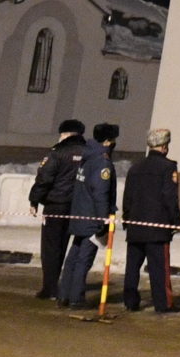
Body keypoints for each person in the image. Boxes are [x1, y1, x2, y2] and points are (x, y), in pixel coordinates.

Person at [53, 124, 116, 309]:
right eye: (112, 140)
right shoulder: (102, 162)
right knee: (83, 260)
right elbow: (100, 194)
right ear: (107, 141)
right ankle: (76, 298)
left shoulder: (87, 156)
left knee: (73, 257)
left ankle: (63, 295)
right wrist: (103, 220)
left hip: (80, 215)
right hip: (92, 219)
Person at [122, 128, 180, 314]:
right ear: (164, 147)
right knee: (159, 269)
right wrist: (175, 221)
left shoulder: (136, 167)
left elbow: (128, 196)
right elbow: (169, 196)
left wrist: (127, 218)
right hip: (158, 227)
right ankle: (163, 303)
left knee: (132, 267)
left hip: (136, 225)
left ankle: (130, 301)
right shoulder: (168, 167)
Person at [28, 120, 88, 299]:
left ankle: (50, 288)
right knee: (67, 247)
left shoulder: (57, 152)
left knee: (51, 247)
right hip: (78, 207)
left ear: (65, 134)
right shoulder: (89, 153)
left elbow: (44, 178)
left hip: (55, 206)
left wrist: (34, 200)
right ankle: (68, 285)